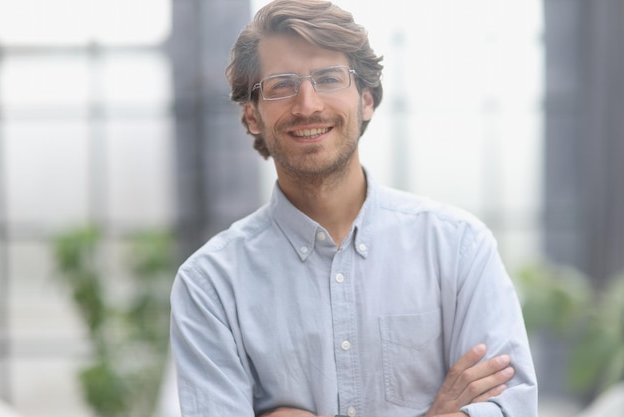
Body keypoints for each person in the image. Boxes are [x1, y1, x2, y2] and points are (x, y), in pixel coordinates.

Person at [169, 1, 538, 416]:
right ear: (252, 115)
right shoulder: (210, 286)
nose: (308, 104)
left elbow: (512, 407)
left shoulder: (458, 247)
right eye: (281, 85)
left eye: (328, 79)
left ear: (365, 101)